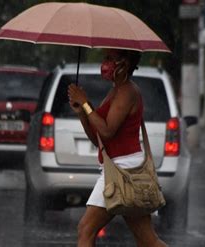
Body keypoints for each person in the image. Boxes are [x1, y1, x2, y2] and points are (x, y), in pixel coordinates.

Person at [68, 49, 167, 247]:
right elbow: (99, 140)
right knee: (147, 241)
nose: (105, 63)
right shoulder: (116, 90)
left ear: (124, 63)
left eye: (110, 59)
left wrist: (87, 104)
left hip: (123, 171)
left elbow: (107, 131)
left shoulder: (127, 91)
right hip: (118, 167)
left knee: (86, 229)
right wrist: (82, 112)